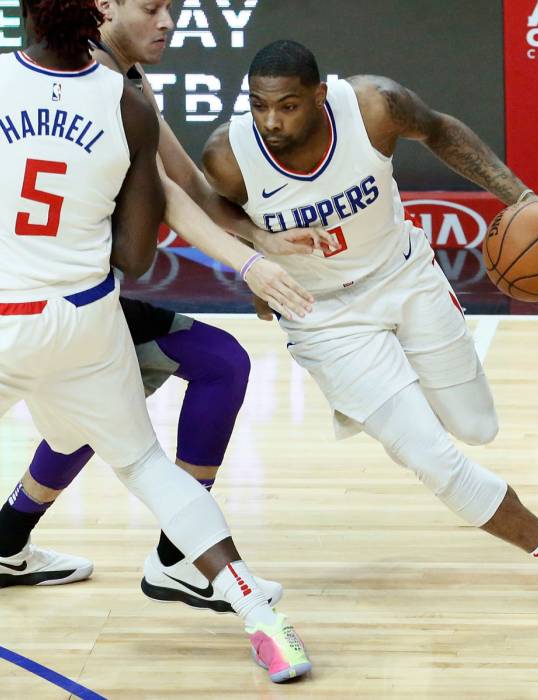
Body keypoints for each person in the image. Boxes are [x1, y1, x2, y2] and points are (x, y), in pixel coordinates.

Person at [202, 39, 538, 640]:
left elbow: (442, 129)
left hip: (404, 273)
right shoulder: (229, 153)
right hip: (321, 314)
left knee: (476, 427)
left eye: (288, 106)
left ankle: (402, 390)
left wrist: (520, 198)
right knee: (432, 458)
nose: (271, 121)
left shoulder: (373, 106)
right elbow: (207, 205)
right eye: (260, 105)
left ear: (320, 96)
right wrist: (256, 255)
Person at [0, 3, 311, 683]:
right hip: (84, 319)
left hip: (2, 317)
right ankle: (259, 614)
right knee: (146, 466)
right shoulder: (125, 103)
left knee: (85, 432)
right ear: (95, 12)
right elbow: (137, 257)